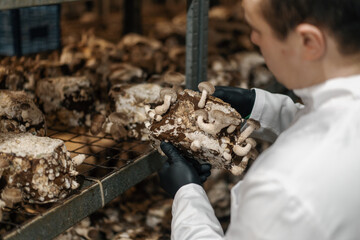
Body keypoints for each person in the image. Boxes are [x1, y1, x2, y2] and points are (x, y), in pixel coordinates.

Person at [157, 0, 360, 239]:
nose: (253, 39)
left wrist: (187, 195)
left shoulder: (282, 187)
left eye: (258, 30)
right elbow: (332, 123)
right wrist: (258, 105)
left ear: (308, 42)